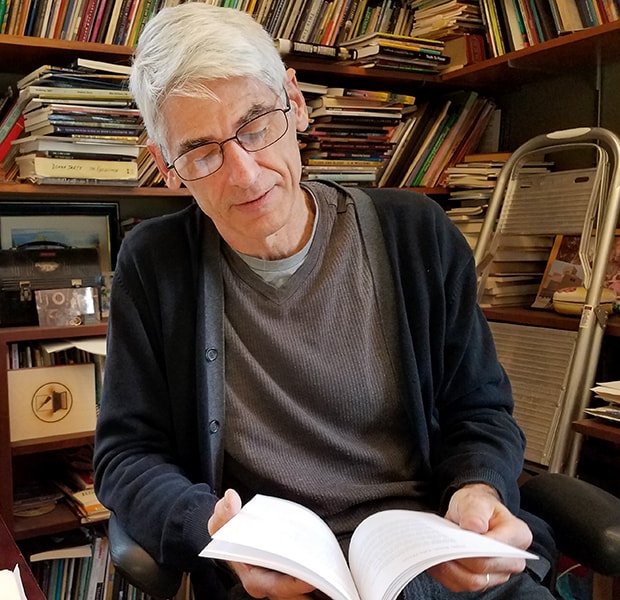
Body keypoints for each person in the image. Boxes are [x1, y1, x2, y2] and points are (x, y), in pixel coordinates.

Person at [91, 4, 556, 600]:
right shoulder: (155, 264)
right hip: (280, 583)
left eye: (256, 125)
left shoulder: (417, 235)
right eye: (202, 151)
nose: (245, 174)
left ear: (295, 100)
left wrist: (478, 490)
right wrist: (214, 531)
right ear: (168, 167)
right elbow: (127, 455)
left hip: (438, 560)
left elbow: (481, 413)